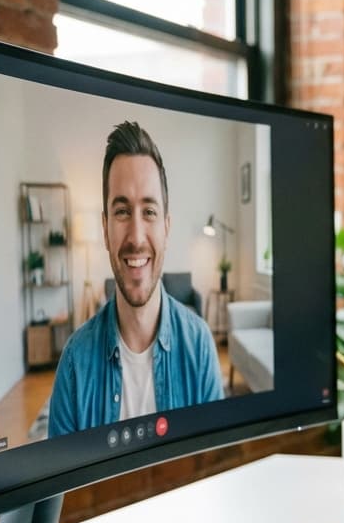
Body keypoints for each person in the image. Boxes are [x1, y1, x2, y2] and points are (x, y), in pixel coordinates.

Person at [48, 121, 223, 437]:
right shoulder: (74, 363)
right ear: (105, 229)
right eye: (122, 211)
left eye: (149, 211)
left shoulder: (199, 346)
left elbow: (216, 473)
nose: (137, 236)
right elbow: (62, 488)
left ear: (166, 227)